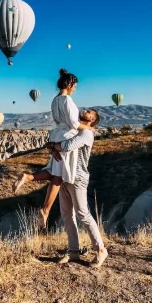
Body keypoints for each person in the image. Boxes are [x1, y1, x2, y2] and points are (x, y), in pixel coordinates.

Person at [13, 69, 91, 228]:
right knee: (60, 176)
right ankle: (45, 208)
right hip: (66, 137)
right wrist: (89, 129)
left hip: (56, 134)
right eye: (74, 86)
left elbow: (57, 121)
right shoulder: (67, 100)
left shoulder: (55, 100)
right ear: (69, 84)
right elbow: (75, 124)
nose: (75, 89)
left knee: (56, 173)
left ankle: (31, 183)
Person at [52, 109, 108, 268]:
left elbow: (67, 146)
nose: (85, 110)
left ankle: (100, 249)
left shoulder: (87, 134)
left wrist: (53, 145)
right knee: (66, 214)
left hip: (78, 178)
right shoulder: (73, 131)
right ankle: (73, 251)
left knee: (83, 213)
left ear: (92, 120)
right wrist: (53, 145)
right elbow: (59, 141)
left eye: (90, 112)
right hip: (64, 175)